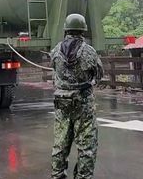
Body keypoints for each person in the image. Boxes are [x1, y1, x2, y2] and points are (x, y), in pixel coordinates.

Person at [50, 14, 104, 179]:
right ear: (83, 30)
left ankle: (57, 175)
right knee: (86, 146)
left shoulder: (56, 50)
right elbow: (99, 73)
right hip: (83, 104)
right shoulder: (89, 51)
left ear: (66, 29)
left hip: (62, 103)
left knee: (60, 144)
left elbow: (54, 71)